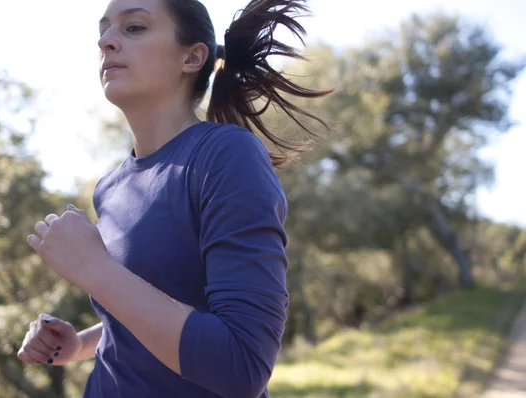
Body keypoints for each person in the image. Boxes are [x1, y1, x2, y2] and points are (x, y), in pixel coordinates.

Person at [17, 0, 330, 396]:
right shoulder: (110, 186)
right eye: (103, 32)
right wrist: (81, 344)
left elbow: (243, 366)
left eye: (133, 28)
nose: (107, 42)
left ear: (192, 57)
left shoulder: (226, 155)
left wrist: (95, 270)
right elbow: (168, 299)